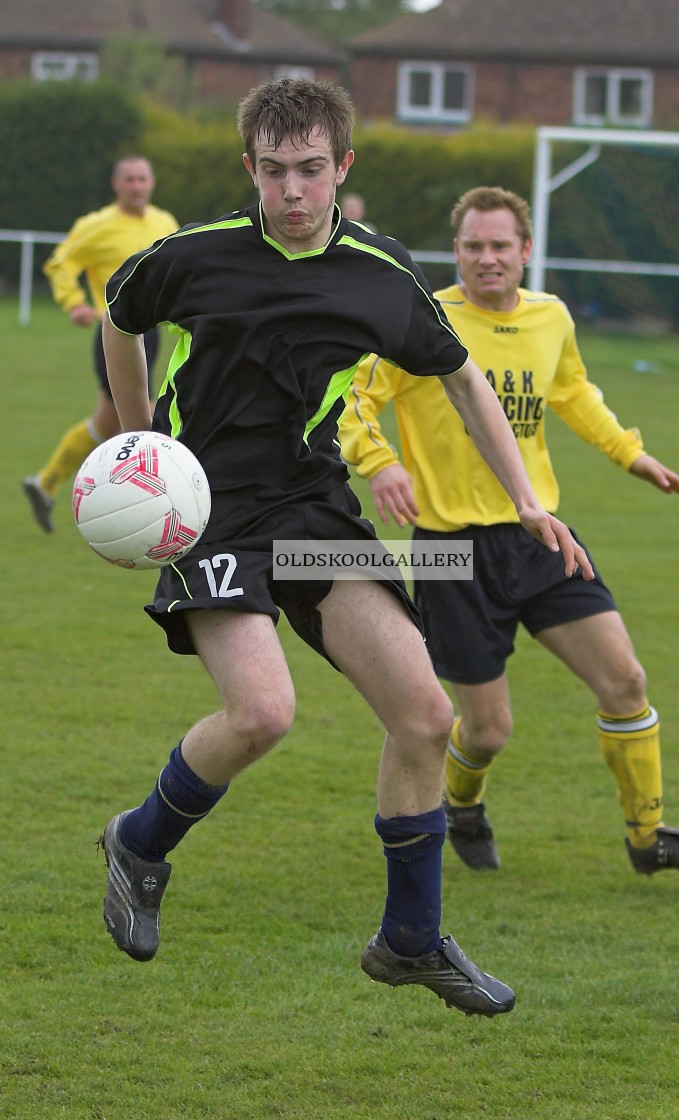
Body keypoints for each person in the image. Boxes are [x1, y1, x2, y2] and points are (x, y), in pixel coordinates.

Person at [98, 80, 594, 1018]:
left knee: (425, 717)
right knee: (263, 714)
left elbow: (461, 382)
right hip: (208, 511)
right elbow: (123, 320)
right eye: (275, 172)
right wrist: (141, 451)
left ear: (343, 168)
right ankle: (138, 841)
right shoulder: (194, 258)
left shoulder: (382, 271)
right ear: (250, 169)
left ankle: (410, 938)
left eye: (312, 170)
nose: (293, 191)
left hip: (313, 510)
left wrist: (526, 500)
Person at [340, 185, 679, 879]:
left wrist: (628, 453)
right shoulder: (421, 319)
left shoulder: (550, 318)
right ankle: (462, 806)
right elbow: (351, 402)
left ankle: (648, 839)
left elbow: (574, 392)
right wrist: (382, 464)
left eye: (499, 246)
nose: (486, 258)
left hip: (540, 535)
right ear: (455, 252)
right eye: (472, 246)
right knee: (487, 731)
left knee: (626, 681)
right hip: (452, 550)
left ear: (524, 251)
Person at [22, 155, 178, 532]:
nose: (137, 186)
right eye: (129, 179)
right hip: (115, 334)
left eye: (143, 179)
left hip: (154, 336)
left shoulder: (165, 222)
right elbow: (60, 263)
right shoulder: (96, 226)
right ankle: (152, 509)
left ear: (152, 183)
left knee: (109, 424)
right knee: (152, 420)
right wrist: (72, 303)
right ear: (116, 185)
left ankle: (45, 484)